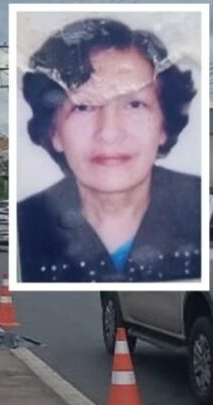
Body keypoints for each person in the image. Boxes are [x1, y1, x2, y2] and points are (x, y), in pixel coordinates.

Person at [18, 17, 200, 283]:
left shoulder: (195, 209)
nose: (109, 133)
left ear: (164, 125)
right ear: (54, 132)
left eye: (135, 105)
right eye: (84, 107)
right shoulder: (30, 220)